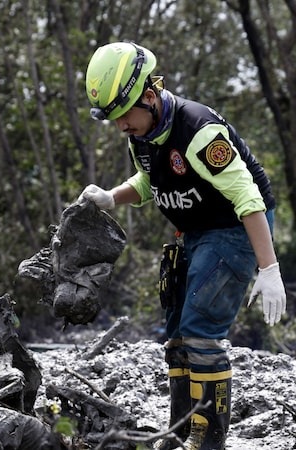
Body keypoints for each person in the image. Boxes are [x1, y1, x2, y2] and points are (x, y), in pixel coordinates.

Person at [80, 41, 286, 450]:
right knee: (175, 334)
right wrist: (111, 196)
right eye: (114, 119)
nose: (120, 126)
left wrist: (269, 268)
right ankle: (176, 433)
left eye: (124, 116)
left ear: (151, 97)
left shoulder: (198, 130)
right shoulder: (141, 134)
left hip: (235, 228)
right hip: (192, 232)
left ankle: (208, 439)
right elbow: (150, 181)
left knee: (200, 331)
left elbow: (248, 198)